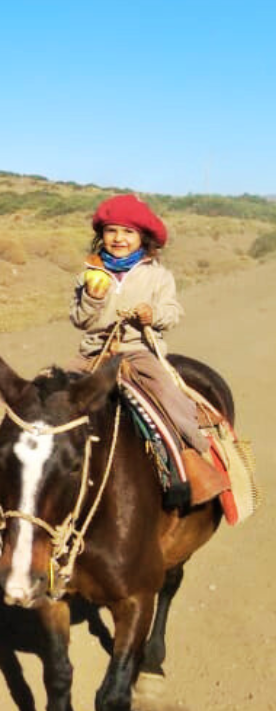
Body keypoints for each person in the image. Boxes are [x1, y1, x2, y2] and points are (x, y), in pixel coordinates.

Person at [69, 193, 228, 503]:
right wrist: (93, 297)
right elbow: (80, 320)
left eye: (127, 232)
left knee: (170, 398)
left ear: (142, 238)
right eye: (111, 230)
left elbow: (173, 313)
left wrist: (152, 315)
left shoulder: (158, 276)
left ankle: (189, 458)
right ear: (101, 235)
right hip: (94, 352)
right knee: (46, 394)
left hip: (138, 350)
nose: (118, 238)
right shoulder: (89, 274)